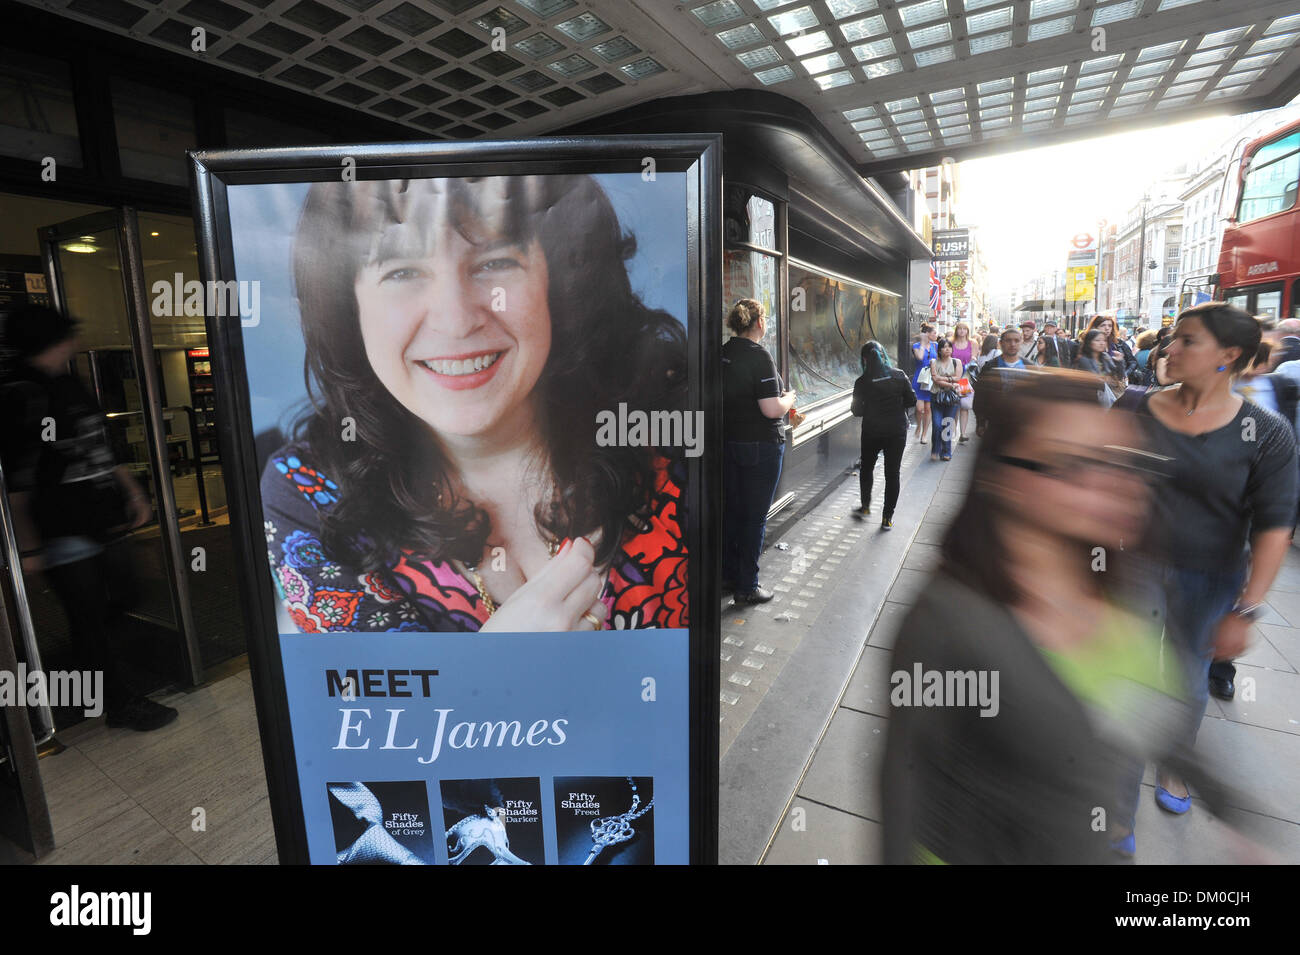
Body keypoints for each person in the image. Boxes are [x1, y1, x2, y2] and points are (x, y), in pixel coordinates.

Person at [261, 176, 690, 632]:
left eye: (496, 261)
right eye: (402, 272)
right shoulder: (307, 493)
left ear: (563, 285)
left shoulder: (670, 431)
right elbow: (363, 699)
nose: (457, 320)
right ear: (350, 311)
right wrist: (496, 671)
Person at [882, 371, 1244, 863]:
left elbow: (1144, 710)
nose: (1117, 485)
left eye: (1125, 463)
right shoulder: (948, 620)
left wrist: (1228, 807)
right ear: (1002, 476)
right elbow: (905, 787)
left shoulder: (1115, 587)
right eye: (1075, 465)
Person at [1128, 303, 1297, 828]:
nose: (1170, 349)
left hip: (1210, 579)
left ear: (1228, 356)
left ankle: (1176, 768)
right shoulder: (1134, 408)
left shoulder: (1266, 434)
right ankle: (1114, 805)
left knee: (1187, 681)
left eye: (1187, 341)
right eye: (1172, 339)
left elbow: (1274, 526)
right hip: (1131, 571)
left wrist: (1245, 611)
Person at [0, 304, 178, 731]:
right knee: (90, 615)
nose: (76, 341)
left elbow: (100, 443)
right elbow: (19, 478)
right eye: (69, 335)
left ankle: (84, 671)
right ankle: (118, 702)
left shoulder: (68, 382)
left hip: (102, 514)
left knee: (123, 597)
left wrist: (131, 490)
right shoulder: (23, 393)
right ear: (54, 340)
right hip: (61, 526)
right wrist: (28, 547)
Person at [721, 298, 793, 605]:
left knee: (732, 512)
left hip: (727, 443)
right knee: (754, 518)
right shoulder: (759, 355)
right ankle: (747, 586)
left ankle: (728, 576)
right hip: (760, 446)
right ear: (760, 323)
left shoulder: (721, 353)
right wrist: (790, 398)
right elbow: (770, 408)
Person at [850, 341, 914, 529]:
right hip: (896, 431)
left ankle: (865, 507)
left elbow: (855, 410)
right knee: (892, 473)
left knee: (867, 469)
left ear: (864, 359)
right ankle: (887, 517)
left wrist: (870, 409)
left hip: (871, 431)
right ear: (884, 354)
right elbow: (911, 400)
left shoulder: (861, 382)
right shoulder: (899, 375)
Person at [973, 328, 1029, 439]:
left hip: (1022, 426)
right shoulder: (990, 367)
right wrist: (980, 422)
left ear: (1021, 342)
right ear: (1001, 343)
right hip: (995, 424)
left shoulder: (1030, 367)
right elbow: (980, 397)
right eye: (1008, 340)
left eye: (1016, 341)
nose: (1012, 344)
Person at [928, 338, 963, 462]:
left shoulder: (956, 362)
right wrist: (951, 382)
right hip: (936, 397)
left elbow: (958, 378)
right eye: (944, 347)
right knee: (937, 424)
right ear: (939, 350)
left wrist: (943, 379)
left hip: (952, 398)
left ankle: (946, 452)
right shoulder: (933, 362)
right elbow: (935, 380)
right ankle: (935, 449)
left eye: (949, 346)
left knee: (947, 423)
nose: (947, 349)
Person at [910, 323, 939, 445]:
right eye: (934, 333)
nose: (936, 335)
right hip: (919, 378)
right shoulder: (916, 346)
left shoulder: (936, 345)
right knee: (919, 408)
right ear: (927, 334)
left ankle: (924, 434)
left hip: (931, 379)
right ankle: (918, 426)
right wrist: (922, 342)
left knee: (928, 408)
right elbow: (920, 358)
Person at [950, 322, 976, 442]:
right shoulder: (951, 343)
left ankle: (963, 433)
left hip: (965, 379)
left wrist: (967, 366)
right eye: (959, 329)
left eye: (964, 329)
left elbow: (974, 360)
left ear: (967, 331)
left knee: (964, 406)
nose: (961, 331)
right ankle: (953, 431)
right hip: (952, 378)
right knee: (954, 406)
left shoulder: (972, 343)